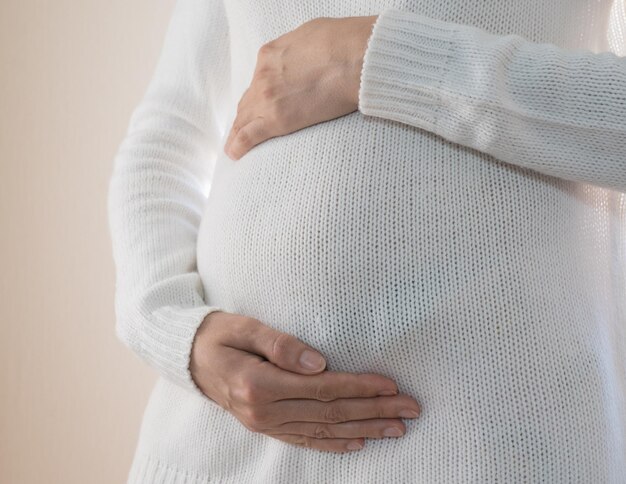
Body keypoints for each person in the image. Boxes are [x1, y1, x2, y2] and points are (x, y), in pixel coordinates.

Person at [107, 0, 626, 482]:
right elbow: (167, 137)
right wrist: (175, 333)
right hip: (221, 445)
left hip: (502, 445)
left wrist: (374, 59)